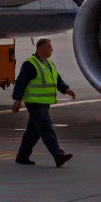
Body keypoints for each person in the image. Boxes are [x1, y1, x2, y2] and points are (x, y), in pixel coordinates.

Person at [11, 38, 76, 166]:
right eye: (49, 47)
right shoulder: (30, 64)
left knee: (33, 132)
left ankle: (22, 156)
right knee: (46, 128)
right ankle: (58, 156)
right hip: (34, 103)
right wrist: (17, 100)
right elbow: (21, 82)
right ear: (41, 48)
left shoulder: (49, 64)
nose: (52, 49)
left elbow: (57, 80)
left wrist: (67, 89)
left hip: (44, 103)